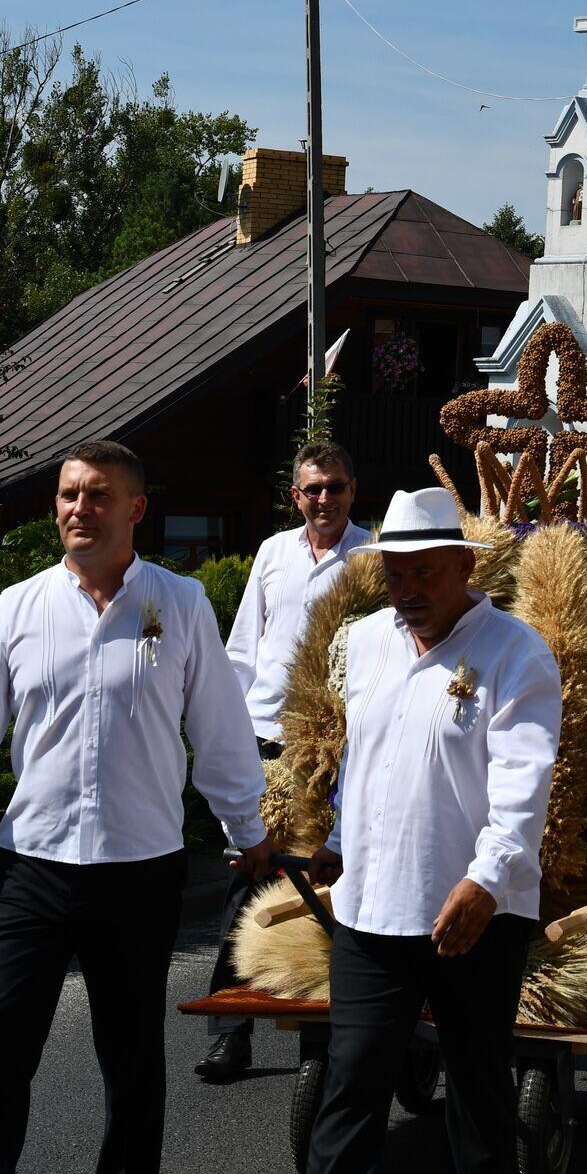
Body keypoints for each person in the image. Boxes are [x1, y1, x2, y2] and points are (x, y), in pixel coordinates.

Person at [0, 441, 272, 1174]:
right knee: (4, 1050)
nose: (79, 509)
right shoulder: (16, 608)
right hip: (33, 867)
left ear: (136, 508)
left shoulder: (179, 604)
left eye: (98, 495)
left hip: (139, 871)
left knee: (131, 1063)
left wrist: (248, 830)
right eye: (69, 494)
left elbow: (219, 729)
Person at [304, 488, 561, 1173]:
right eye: (396, 574)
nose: (407, 590)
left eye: (425, 572)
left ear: (464, 566)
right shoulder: (366, 641)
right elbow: (362, 756)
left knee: (477, 1096)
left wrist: (487, 879)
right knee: (351, 1084)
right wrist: (338, 840)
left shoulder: (516, 652)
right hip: (371, 908)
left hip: (472, 914)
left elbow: (524, 782)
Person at [197, 441, 372, 1080]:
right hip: (266, 737)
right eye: (312, 489)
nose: (324, 498)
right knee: (251, 873)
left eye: (335, 487)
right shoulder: (273, 552)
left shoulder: (373, 557)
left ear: (353, 491)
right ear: (295, 496)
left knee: (331, 880)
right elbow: (243, 649)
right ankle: (230, 1030)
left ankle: (324, 1040)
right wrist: (228, 731)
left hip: (337, 743)